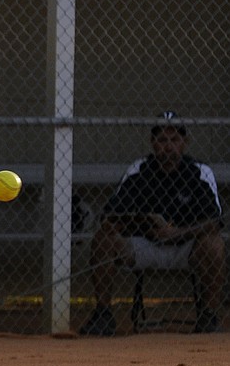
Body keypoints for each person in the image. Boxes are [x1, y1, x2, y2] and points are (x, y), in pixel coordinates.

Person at [81, 111, 225, 336]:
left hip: (184, 247)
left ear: (184, 143)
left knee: (214, 244)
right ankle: (103, 314)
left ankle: (209, 316)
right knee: (103, 239)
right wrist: (144, 223)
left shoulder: (199, 172)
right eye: (162, 140)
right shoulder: (140, 170)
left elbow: (214, 222)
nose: (168, 146)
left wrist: (175, 233)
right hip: (145, 244)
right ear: (153, 143)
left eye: (175, 140)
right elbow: (110, 217)